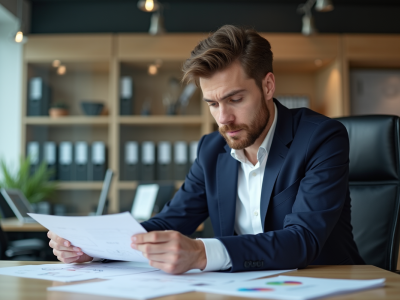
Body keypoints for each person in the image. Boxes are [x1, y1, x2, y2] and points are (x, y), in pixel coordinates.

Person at [48, 25, 364, 274]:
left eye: (235, 99)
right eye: (212, 103)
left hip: (326, 285)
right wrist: (96, 247)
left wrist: (201, 252)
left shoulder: (321, 138)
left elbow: (302, 240)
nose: (223, 118)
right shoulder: (211, 149)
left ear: (268, 86)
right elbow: (171, 221)